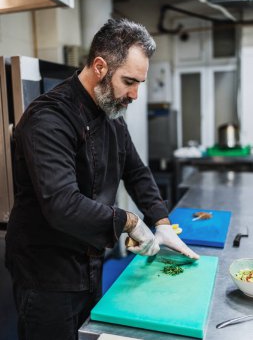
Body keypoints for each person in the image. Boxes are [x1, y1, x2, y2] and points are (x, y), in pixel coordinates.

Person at [5, 18, 199, 340]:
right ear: (99, 67)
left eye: (140, 83)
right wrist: (129, 221)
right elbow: (62, 204)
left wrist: (162, 222)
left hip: (90, 262)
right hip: (46, 271)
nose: (135, 94)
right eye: (129, 81)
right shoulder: (48, 118)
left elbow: (136, 172)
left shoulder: (110, 114)